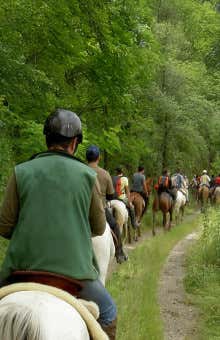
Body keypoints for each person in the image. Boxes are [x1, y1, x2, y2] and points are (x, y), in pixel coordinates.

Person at [0, 109, 117, 339]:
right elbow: (99, 228)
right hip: (75, 275)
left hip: (19, 270)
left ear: (46, 140)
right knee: (108, 313)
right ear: (75, 143)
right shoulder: (87, 176)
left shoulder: (21, 171)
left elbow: (3, 226)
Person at [86, 145, 127, 264]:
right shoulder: (104, 173)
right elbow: (110, 195)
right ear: (98, 158)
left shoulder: (80, 170)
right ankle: (119, 253)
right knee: (114, 226)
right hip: (100, 208)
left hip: (80, 208)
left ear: (87, 158)